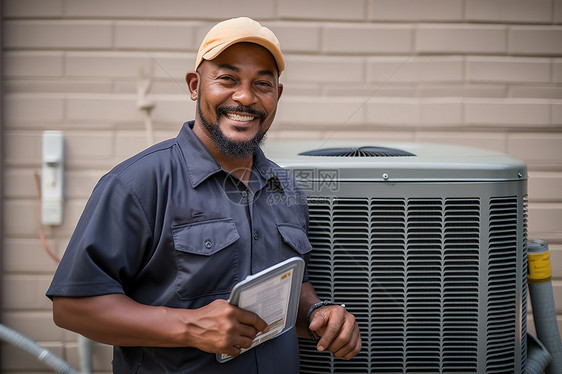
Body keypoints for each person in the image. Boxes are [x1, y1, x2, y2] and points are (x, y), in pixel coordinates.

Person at [46, 17, 361, 373]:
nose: (245, 97)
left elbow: (291, 286)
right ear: (195, 85)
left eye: (262, 84)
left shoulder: (286, 189)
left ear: (277, 95)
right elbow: (72, 307)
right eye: (227, 79)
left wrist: (319, 313)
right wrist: (190, 327)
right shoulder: (138, 183)